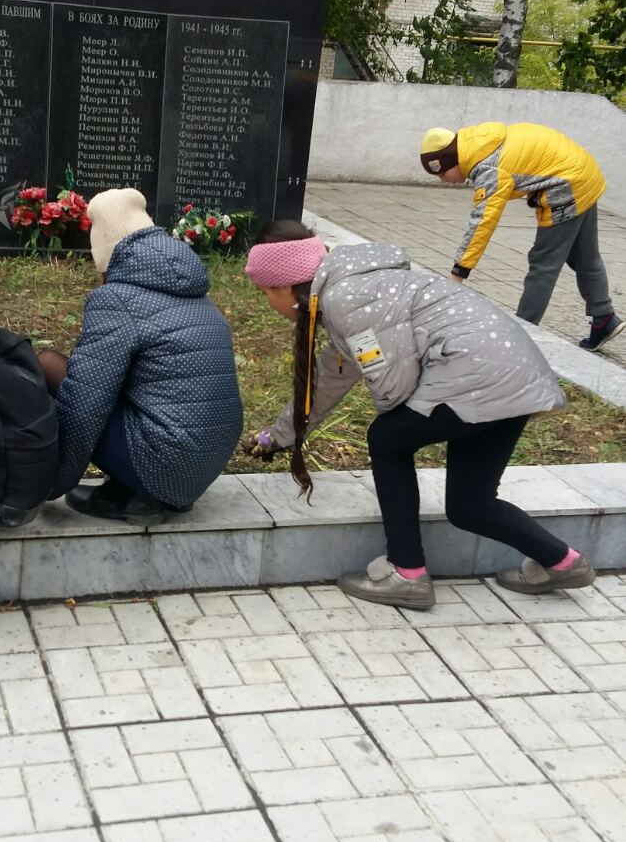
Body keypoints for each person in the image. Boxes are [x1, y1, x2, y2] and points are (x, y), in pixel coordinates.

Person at [244, 220, 595, 610]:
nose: (267, 304)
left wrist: (389, 410)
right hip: (513, 378)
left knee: (387, 438)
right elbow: (331, 376)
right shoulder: (359, 289)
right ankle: (564, 561)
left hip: (478, 376)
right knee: (470, 507)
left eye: (264, 294)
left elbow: (394, 386)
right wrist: (280, 435)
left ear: (284, 287)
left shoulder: (347, 299)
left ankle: (406, 573)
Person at [41, 187, 243, 523]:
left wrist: (51, 484)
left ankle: (139, 492)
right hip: (207, 462)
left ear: (104, 252)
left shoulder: (117, 300)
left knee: (48, 365)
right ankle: (149, 493)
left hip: (165, 461)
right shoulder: (198, 293)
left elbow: (83, 404)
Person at [419, 121, 621, 350]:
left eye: (442, 173)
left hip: (568, 184)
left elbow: (483, 222)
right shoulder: (479, 143)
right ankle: (604, 318)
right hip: (584, 173)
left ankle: (521, 335)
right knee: (584, 257)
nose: (443, 180)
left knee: (543, 263)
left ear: (450, 160)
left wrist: (458, 272)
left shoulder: (488, 169)